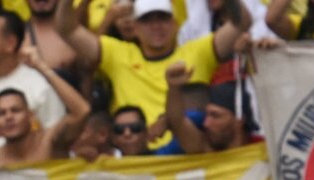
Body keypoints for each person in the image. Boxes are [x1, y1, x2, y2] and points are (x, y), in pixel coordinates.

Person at [57, 0, 248, 148]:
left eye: (162, 18)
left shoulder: (199, 51)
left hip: (189, 159)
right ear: (136, 28)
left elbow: (243, 23)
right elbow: (66, 29)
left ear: (175, 24)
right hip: (136, 158)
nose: (156, 26)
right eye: (147, 20)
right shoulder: (118, 54)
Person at [0, 44, 90, 166]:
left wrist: (42, 67)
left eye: (15, 110)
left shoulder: (50, 141)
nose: (9, 117)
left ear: (30, 115)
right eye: (2, 113)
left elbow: (82, 111)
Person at [163, 68, 252, 154]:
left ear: (239, 120)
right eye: (207, 115)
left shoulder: (263, 150)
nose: (206, 123)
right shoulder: (204, 148)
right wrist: (173, 88)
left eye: (215, 116)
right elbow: (177, 121)